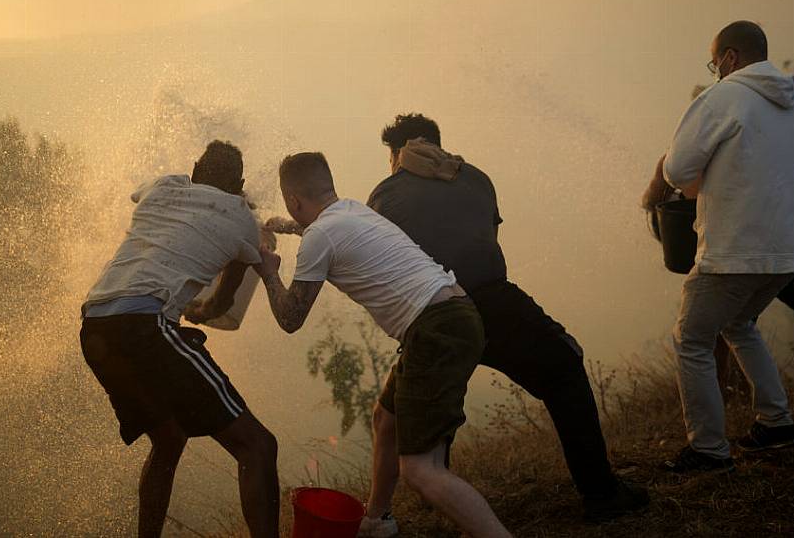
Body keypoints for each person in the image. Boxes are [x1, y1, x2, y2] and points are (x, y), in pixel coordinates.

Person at [359, 113, 648, 531]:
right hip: (495, 301)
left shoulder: (386, 194)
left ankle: (437, 499)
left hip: (433, 315)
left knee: (416, 405)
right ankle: (602, 494)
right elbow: (485, 242)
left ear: (397, 153)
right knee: (564, 369)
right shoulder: (476, 177)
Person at [256, 152, 513, 538]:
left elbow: (290, 319)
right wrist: (287, 225)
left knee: (421, 471)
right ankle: (376, 522)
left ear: (294, 199)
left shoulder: (319, 238)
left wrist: (268, 274)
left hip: (435, 330)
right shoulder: (350, 211)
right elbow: (320, 227)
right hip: (452, 315)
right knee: (386, 418)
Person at [79, 141, 280, 538]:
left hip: (95, 322)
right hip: (144, 324)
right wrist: (200, 312)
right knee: (258, 447)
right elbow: (222, 301)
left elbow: (145, 193)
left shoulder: (163, 186)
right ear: (239, 186)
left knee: (169, 438)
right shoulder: (242, 219)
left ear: (193, 169)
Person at [658, 20, 794, 473]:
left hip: (735, 248)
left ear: (729, 57)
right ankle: (777, 423)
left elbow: (678, 169)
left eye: (715, 62)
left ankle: (708, 449)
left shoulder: (722, 97)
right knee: (739, 322)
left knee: (691, 337)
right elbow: (793, 170)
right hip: (790, 249)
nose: (715, 71)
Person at [643, 160, 794, 409]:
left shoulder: (692, 145)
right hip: (787, 236)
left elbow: (654, 198)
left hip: (736, 248)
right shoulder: (781, 128)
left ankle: (720, 411)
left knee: (711, 327)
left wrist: (670, 218)